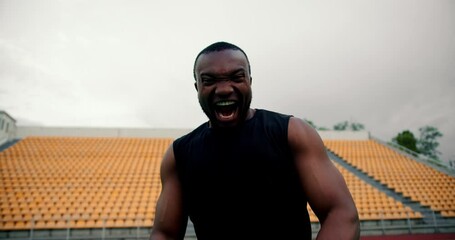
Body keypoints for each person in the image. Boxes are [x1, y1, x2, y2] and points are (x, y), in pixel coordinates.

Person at [150, 42, 360, 240]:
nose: (224, 89)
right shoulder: (179, 154)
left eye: (236, 77)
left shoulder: (291, 132)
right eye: (210, 80)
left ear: (249, 81)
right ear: (197, 87)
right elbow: (165, 233)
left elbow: (340, 213)